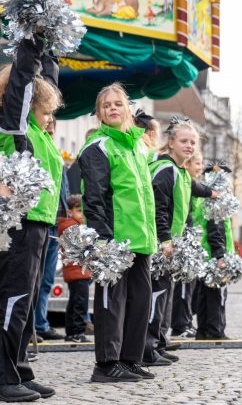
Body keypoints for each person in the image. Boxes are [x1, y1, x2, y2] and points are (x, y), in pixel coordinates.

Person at [79, 82, 158, 382]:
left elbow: (144, 195)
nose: (112, 108)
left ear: (128, 109)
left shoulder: (138, 146)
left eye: (117, 103)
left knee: (140, 300)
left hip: (142, 238)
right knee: (111, 302)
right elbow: (95, 197)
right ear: (99, 114)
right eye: (106, 105)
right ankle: (106, 363)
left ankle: (129, 359)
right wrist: (104, 241)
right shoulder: (97, 146)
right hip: (116, 241)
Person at [0, 35, 63, 402]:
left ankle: (20, 368)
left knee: (26, 299)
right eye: (46, 106)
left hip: (39, 224)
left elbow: (45, 81)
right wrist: (29, 48)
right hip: (18, 224)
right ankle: (4, 374)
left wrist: (48, 51)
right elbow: (22, 88)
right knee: (14, 299)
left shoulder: (41, 133)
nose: (51, 113)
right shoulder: (14, 129)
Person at [145, 118, 215, 366]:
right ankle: (148, 347)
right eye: (184, 141)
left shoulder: (180, 171)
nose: (189, 146)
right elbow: (159, 209)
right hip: (161, 244)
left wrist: (211, 191)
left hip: (172, 244)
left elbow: (193, 188)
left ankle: (159, 342)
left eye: (193, 142)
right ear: (171, 143)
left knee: (166, 295)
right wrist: (164, 239)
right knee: (157, 295)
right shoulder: (166, 170)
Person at [34, 119, 69, 342]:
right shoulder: (37, 148)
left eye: (52, 127)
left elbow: (62, 190)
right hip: (41, 222)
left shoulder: (56, 155)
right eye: (46, 125)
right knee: (33, 278)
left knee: (46, 279)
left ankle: (40, 323)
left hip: (56, 224)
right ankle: (33, 326)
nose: (50, 130)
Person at [191, 158, 231, 341]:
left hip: (204, 253)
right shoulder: (216, 198)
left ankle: (203, 330)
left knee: (204, 294)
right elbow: (216, 227)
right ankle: (215, 331)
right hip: (214, 255)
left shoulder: (202, 198)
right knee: (217, 294)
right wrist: (220, 255)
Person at [59, 195, 91, 343]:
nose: (82, 215)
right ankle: (78, 332)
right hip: (77, 271)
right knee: (80, 303)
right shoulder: (72, 227)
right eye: (79, 211)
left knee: (74, 302)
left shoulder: (70, 225)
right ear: (69, 212)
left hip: (76, 271)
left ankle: (71, 332)